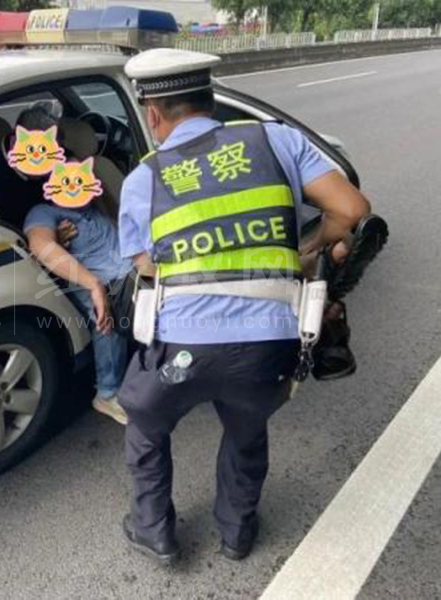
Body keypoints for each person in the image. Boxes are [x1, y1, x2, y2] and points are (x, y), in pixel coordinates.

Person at [117, 48, 372, 564]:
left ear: (152, 114)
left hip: (183, 347)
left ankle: (154, 530)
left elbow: (146, 267)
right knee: (247, 428)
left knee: (145, 418)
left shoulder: (144, 177)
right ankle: (236, 533)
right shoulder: (275, 139)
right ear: (211, 100)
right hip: (267, 345)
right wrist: (308, 250)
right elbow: (351, 208)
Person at [19, 107, 133, 426]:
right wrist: (93, 285)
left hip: (132, 269)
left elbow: (117, 216)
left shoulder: (92, 207)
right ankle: (108, 393)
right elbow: (41, 246)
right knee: (107, 318)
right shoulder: (44, 213)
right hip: (103, 281)